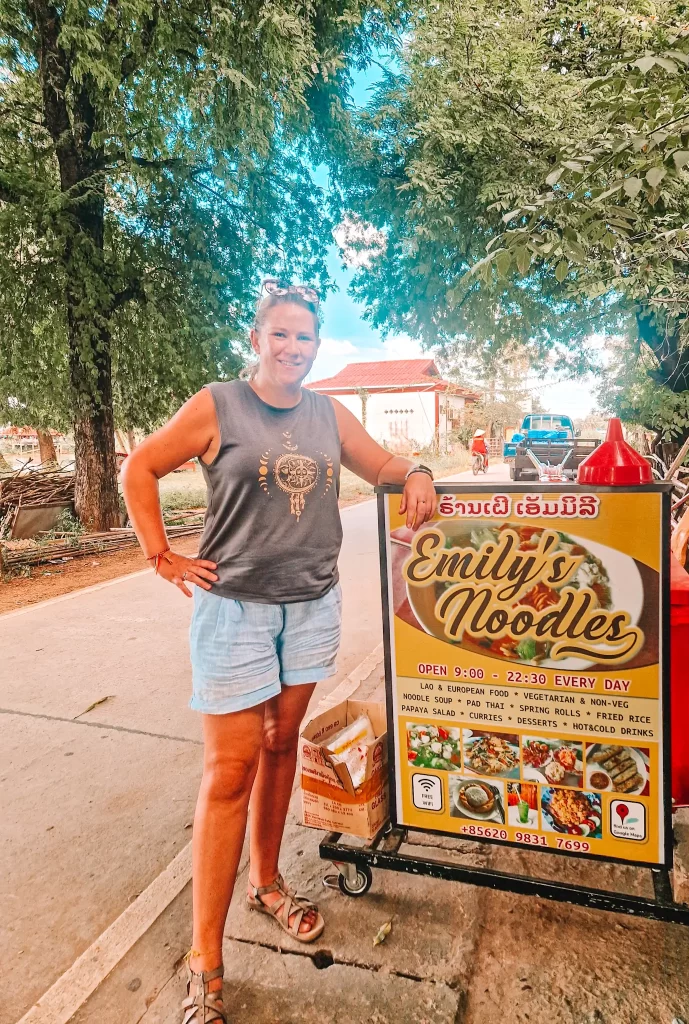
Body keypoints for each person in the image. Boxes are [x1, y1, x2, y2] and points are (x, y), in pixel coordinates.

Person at [121, 279, 438, 1023]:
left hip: (311, 606)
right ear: (256, 340)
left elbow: (385, 466)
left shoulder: (329, 413)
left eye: (306, 339)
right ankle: (206, 958)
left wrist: (418, 471)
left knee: (282, 744)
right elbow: (140, 467)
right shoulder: (218, 404)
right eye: (281, 335)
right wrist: (160, 555)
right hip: (234, 613)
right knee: (229, 772)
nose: (293, 348)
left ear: (315, 348)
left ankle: (267, 885)